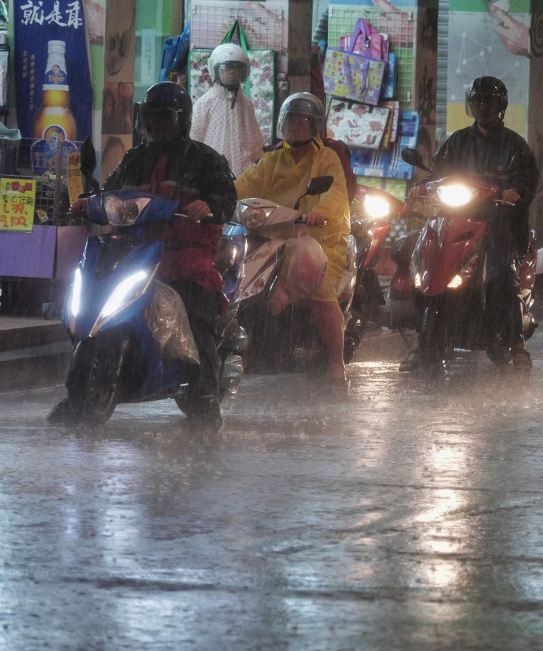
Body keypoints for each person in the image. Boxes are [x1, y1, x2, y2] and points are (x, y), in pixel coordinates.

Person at [50, 82, 238, 427]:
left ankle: (206, 396)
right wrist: (87, 203)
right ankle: (78, 394)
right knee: (90, 303)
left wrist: (208, 205)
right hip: (135, 252)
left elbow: (227, 198)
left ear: (182, 120)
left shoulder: (206, 159)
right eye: (151, 118)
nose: (156, 125)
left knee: (197, 313)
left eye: (164, 118)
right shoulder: (135, 158)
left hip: (187, 256)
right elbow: (112, 192)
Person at [400, 75, 539, 370]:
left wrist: (513, 193)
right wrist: (421, 187)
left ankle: (516, 341)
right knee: (423, 263)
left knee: (500, 273)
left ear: (500, 106)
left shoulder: (515, 146)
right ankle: (423, 339)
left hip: (498, 223)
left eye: (489, 101)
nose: (483, 107)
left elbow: (526, 183)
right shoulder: (458, 142)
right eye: (478, 101)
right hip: (456, 221)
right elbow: (437, 172)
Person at [234, 92, 352, 394]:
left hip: (318, 240)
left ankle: (336, 367)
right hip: (273, 238)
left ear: (314, 126)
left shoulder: (326, 157)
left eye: (301, 122)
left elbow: (335, 193)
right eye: (290, 122)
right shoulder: (272, 160)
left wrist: (320, 213)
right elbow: (245, 184)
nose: (295, 127)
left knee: (323, 295)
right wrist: (221, 195)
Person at [190, 42, 265, 176]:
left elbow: (254, 143)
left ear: (244, 71)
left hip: (244, 172)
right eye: (226, 67)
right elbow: (194, 140)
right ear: (216, 70)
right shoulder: (204, 103)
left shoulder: (246, 105)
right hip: (212, 171)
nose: (232, 71)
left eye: (237, 68)